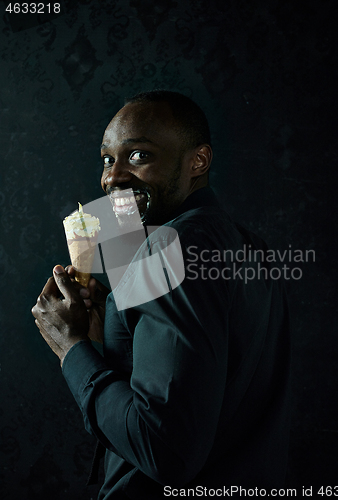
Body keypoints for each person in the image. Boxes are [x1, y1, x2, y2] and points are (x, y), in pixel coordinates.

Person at [32, 90, 291, 499]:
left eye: (139, 156)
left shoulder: (167, 247)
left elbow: (165, 450)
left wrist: (71, 348)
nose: (112, 177)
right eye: (107, 158)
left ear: (197, 162)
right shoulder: (249, 245)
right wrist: (117, 324)